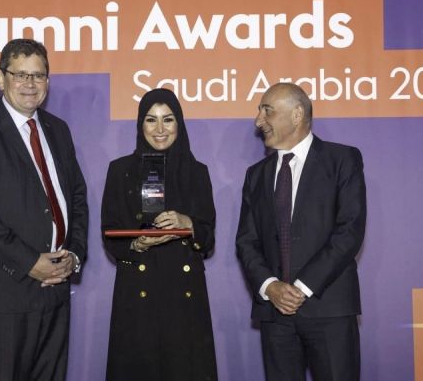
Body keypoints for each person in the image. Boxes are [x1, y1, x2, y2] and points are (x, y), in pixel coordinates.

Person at [0, 38, 88, 381]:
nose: (30, 84)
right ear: (0, 78)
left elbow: (77, 198)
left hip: (54, 291)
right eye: (20, 74)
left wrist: (74, 255)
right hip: (0, 294)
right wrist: (30, 263)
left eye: (38, 76)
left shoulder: (58, 130)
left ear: (48, 82)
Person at [236, 83, 366, 381]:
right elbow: (247, 242)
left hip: (329, 308)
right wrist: (270, 286)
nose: (258, 121)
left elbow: (349, 231)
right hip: (275, 315)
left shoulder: (342, 160)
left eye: (266, 110)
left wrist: (301, 287)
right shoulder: (255, 175)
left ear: (297, 115)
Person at [101, 88, 218, 381]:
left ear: (179, 123)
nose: (160, 129)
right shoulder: (120, 170)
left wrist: (187, 222)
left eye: (168, 120)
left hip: (184, 294)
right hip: (138, 291)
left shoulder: (197, 172)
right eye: (151, 120)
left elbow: (208, 238)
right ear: (141, 125)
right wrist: (137, 243)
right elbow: (109, 233)